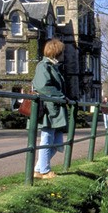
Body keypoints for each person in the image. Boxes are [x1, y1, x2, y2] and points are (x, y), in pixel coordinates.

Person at [32, 39, 68, 179]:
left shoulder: (53, 67)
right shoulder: (43, 66)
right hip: (48, 110)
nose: (64, 54)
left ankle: (38, 169)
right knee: (46, 139)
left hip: (55, 109)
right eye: (62, 52)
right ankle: (45, 171)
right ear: (57, 52)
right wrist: (61, 96)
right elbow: (42, 86)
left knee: (57, 143)